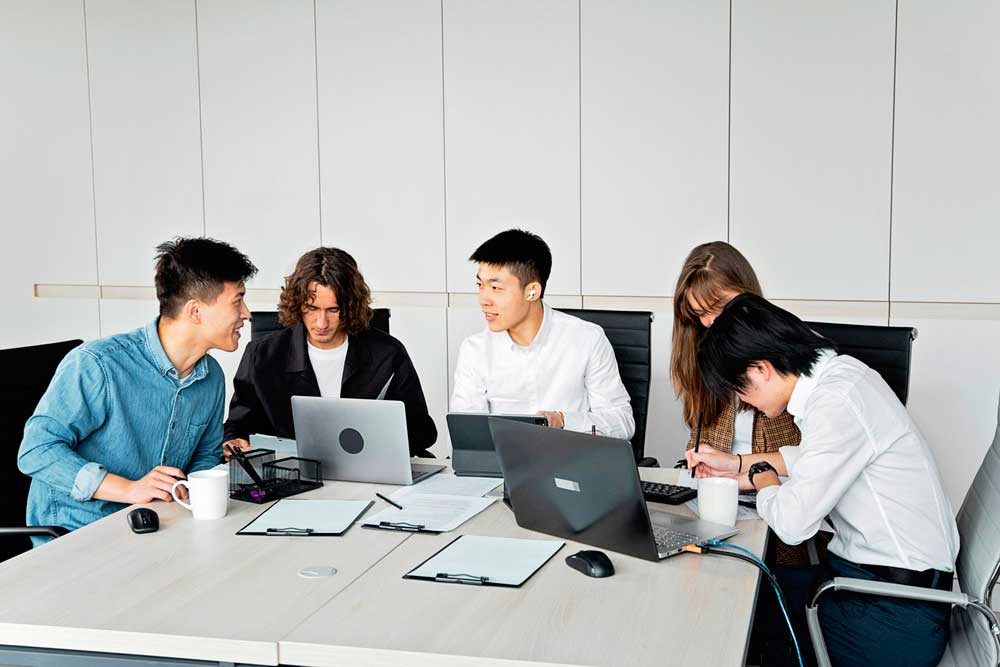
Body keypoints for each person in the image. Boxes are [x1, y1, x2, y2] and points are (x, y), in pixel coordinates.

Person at [687, 293, 959, 667]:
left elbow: (792, 524)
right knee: (741, 591)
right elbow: (812, 459)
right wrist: (736, 464)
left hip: (895, 614)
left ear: (761, 369)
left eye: (739, 388)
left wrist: (762, 478)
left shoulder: (837, 402)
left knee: (735, 621)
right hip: (872, 585)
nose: (743, 401)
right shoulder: (842, 378)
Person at [18, 237, 258, 545]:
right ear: (195, 311)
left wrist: (198, 487)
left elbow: (203, 456)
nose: (246, 314)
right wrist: (129, 489)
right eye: (237, 301)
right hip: (78, 535)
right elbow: (36, 450)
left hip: (159, 526)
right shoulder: (98, 365)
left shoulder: (210, 377)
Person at [223, 247, 437, 457]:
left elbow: (422, 431)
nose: (321, 323)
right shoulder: (262, 355)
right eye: (312, 308)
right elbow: (237, 426)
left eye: (333, 310)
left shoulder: (388, 354)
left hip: (368, 471)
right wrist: (233, 440)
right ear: (297, 304)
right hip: (290, 472)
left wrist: (380, 442)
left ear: (351, 307)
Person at [451, 229, 634, 440]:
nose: (483, 299)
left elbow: (622, 423)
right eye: (480, 285)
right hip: (504, 461)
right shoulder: (475, 350)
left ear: (532, 291)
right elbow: (466, 435)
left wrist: (563, 421)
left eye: (495, 288)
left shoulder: (587, 339)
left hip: (571, 457)